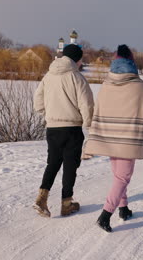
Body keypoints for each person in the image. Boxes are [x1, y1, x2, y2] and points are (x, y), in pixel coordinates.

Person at [83, 45, 143, 232]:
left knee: (118, 176)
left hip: (108, 135)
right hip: (128, 137)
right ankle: (106, 215)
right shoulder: (140, 87)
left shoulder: (106, 85)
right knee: (123, 177)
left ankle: (123, 209)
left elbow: (99, 108)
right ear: (132, 63)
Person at [33, 44, 94, 217]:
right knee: (70, 166)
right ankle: (66, 203)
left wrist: (49, 115)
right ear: (77, 59)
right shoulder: (77, 77)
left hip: (52, 128)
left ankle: (41, 198)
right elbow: (86, 104)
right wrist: (88, 125)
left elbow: (38, 101)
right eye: (81, 59)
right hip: (72, 128)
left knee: (52, 163)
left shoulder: (49, 75)